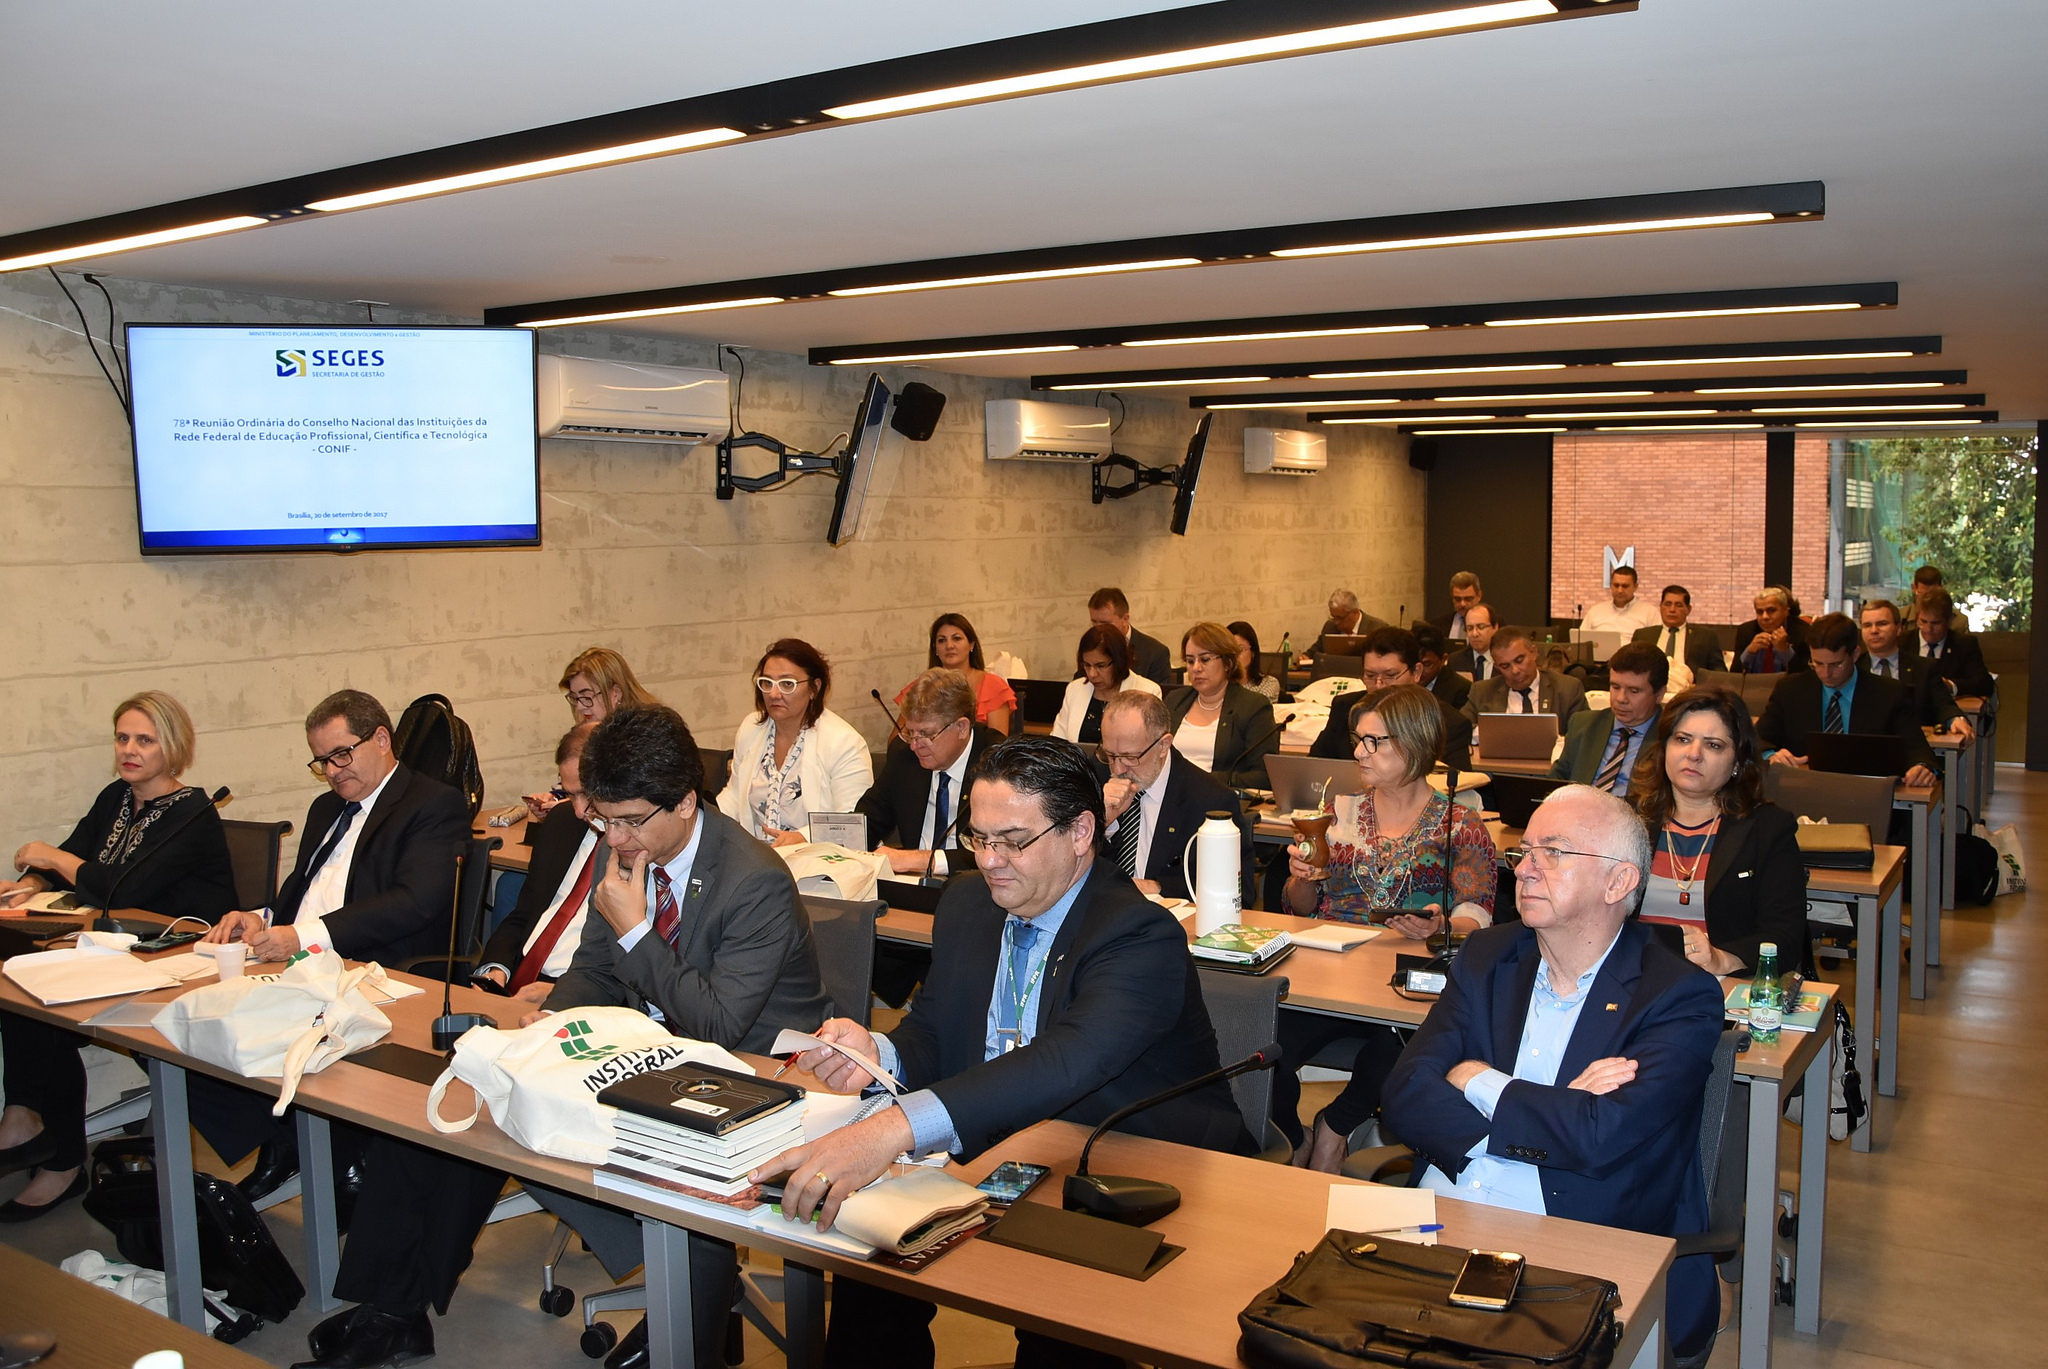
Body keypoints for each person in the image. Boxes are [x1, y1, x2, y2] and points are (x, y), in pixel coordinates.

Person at [297, 704, 833, 1369]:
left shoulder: (753, 879)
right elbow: (595, 968)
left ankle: (692, 1324)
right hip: (648, 1050)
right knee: (471, 1100)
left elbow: (719, 1022)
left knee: (662, 1171)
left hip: (754, 1077)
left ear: (685, 802)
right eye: (603, 819)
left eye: (629, 820)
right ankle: (393, 1309)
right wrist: (554, 1020)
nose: (615, 838)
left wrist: (635, 928)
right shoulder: (627, 846)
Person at [751, 736, 1249, 1369]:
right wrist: (879, 1053)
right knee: (868, 1267)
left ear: (1080, 833)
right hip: (1003, 1142)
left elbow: (1066, 1062)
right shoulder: (969, 903)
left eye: (1013, 841)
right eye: (979, 838)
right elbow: (937, 1031)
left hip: (1126, 1162)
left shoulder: (1136, 933)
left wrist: (893, 1128)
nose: (989, 861)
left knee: (1056, 1321)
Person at [1380, 784, 1725, 1363]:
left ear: (1619, 882)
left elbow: (1601, 1136)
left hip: (1572, 1238)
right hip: (1444, 1212)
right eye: (1525, 852)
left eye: (1554, 852)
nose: (1524, 869)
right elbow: (1405, 1093)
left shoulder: (1677, 996)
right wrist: (1554, 1111)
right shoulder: (1488, 956)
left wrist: (1479, 1081)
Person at [197, 689, 471, 1204]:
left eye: (341, 754)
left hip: (376, 968)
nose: (331, 771)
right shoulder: (327, 807)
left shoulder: (432, 803)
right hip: (302, 961)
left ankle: (310, 1148)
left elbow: (415, 902)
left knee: (244, 1026)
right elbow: (302, 892)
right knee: (191, 1025)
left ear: (382, 739)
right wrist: (260, 919)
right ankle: (284, 1139)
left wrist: (300, 937)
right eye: (321, 761)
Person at [0, 691, 235, 1220]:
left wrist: (50, 857)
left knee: (48, 1004)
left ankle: (59, 1159)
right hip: (121, 949)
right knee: (21, 979)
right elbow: (75, 851)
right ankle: (27, 1119)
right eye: (122, 738)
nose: (129, 750)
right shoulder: (117, 796)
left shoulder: (193, 811)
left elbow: (122, 887)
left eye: (144, 740)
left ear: (172, 747)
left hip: (181, 961)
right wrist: (30, 884)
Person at [1278, 685, 1497, 1170]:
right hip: (1331, 975)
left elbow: (1478, 916)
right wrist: (1301, 879)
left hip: (1406, 983)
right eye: (1359, 740)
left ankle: (1335, 1126)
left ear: (1415, 742)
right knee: (1259, 1040)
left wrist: (1440, 926)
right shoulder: (1337, 813)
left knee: (1405, 1041)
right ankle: (1292, 1137)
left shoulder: (1459, 825)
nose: (1360, 752)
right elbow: (1300, 908)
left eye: (1374, 742)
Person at [1634, 686, 1810, 975]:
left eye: (1713, 745)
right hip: (1631, 980)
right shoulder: (1629, 819)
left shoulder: (1768, 829)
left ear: (1737, 762)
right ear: (1664, 748)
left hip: (1717, 985)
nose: (1694, 754)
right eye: (1682, 739)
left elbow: (1785, 939)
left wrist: (1722, 959)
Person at [469, 723, 597, 1000]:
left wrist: (562, 993)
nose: (579, 810)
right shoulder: (562, 823)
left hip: (576, 989)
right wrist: (496, 968)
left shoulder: (641, 845)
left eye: (586, 793)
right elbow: (524, 914)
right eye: (570, 794)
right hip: (520, 979)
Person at [1098, 691, 1254, 907]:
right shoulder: (1094, 780)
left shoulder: (1210, 799)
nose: (1117, 769)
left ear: (1163, 746)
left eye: (1130, 757)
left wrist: (1159, 887)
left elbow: (1238, 895)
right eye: (1109, 755)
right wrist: (1101, 821)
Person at [719, 638, 874, 845]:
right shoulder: (752, 727)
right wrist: (703, 819)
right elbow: (734, 795)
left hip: (818, 857)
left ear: (814, 688)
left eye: (787, 684)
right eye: (767, 683)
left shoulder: (844, 743)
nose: (774, 694)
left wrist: (802, 838)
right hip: (757, 856)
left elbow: (852, 824)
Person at [1757, 612, 1937, 788]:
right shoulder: (1790, 689)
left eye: (1836, 664)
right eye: (1817, 664)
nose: (1826, 673)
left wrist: (1922, 767)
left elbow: (1918, 749)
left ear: (1855, 654)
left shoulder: (1890, 693)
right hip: (1803, 791)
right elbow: (1757, 739)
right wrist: (1770, 755)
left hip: (1867, 793)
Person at [860, 670, 1003, 878]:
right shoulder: (904, 756)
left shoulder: (997, 764)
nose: (915, 745)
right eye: (910, 733)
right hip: (912, 883)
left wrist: (925, 860)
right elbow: (868, 820)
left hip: (976, 884)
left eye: (926, 734)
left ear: (962, 727)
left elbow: (999, 849)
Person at [1310, 627, 1473, 773]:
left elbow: (1456, 786)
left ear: (1416, 672)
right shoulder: (1344, 709)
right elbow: (1314, 768)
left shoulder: (1449, 723)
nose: (1379, 685)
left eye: (1390, 675)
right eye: (1370, 675)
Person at [1165, 620, 1280, 789]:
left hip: (1218, 797)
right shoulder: (1174, 701)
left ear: (1228, 663)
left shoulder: (1253, 707)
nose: (1196, 668)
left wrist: (1206, 779)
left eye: (1205, 659)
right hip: (1171, 795)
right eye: (1190, 661)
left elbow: (1264, 776)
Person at [1552, 643, 1668, 796]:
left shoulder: (1671, 737)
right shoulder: (1583, 725)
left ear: (1659, 694)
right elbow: (1555, 782)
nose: (1621, 699)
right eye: (1615, 687)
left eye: (1634, 691)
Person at [1859, 598, 1970, 737]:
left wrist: (1954, 719)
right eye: (1867, 625)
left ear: (1899, 628)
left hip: (1913, 745)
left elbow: (1944, 705)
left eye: (1882, 624)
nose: (1874, 630)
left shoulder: (1924, 668)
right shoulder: (1853, 668)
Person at [897, 613, 1014, 734]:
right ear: (935, 648)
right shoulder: (921, 687)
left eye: (956, 638)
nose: (949, 646)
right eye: (942, 640)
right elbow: (897, 741)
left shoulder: (993, 686)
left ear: (971, 644)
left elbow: (997, 742)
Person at [1050, 623, 1162, 745]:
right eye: (1087, 665)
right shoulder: (1075, 689)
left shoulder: (1147, 691)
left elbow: (1151, 745)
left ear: (1119, 661)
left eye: (1100, 666)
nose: (1092, 674)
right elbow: (1058, 741)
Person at [1462, 626, 1588, 730]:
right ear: (1497, 667)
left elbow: (1584, 735)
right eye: (1505, 666)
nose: (1515, 671)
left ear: (1533, 652)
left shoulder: (1568, 689)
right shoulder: (1482, 692)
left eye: (1519, 660)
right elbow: (1460, 730)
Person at [1631, 584, 1725, 685]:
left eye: (1678, 605)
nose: (1672, 609)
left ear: (1688, 609)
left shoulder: (1706, 636)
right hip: (1650, 689)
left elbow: (1718, 671)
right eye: (1667, 604)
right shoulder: (1643, 635)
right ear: (1661, 607)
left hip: (1690, 690)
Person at [1087, 586, 1173, 690]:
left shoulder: (1155, 653)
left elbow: (1159, 696)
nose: (1098, 629)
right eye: (1094, 622)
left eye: (1105, 623)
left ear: (1125, 619)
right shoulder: (1090, 648)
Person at [1914, 589, 1996, 698]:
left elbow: (1984, 684)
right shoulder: (1902, 642)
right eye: (1923, 621)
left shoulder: (1964, 645)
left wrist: (1951, 686)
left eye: (1936, 623)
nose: (1928, 629)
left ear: (1949, 621)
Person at [1732, 587, 1808, 674]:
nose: (1765, 617)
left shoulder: (1803, 631)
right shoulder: (1745, 631)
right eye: (1760, 612)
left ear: (1786, 611)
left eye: (1771, 610)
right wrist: (1749, 652)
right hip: (1754, 682)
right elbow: (1734, 675)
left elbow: (1806, 675)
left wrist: (1785, 651)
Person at [1578, 564, 1659, 636]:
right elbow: (1580, 641)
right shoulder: (1595, 611)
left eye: (1625, 586)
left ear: (1635, 587)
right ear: (1610, 585)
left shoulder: (1650, 613)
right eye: (1616, 585)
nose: (1620, 590)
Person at [1312, 590, 1386, 656]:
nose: (1336, 622)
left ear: (1355, 612)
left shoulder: (1378, 629)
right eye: (1333, 617)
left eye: (1340, 618)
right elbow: (1314, 651)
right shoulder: (1330, 627)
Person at [1414, 624, 1471, 710]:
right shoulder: (1401, 680)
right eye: (1414, 663)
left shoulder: (1461, 689)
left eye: (1427, 664)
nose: (1419, 670)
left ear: (1443, 660)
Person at [1230, 619, 1282, 702]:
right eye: (1230, 650)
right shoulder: (1219, 685)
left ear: (1253, 652)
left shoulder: (1268, 683)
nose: (1235, 655)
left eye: (1240, 650)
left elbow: (1255, 707)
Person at [1447, 602, 1499, 681]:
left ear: (1495, 628)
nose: (1475, 634)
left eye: (1481, 627)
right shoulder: (1455, 660)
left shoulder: (1505, 659)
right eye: (1470, 628)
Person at [1439, 570, 1482, 641]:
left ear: (1479, 596)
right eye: (1457, 599)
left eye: (1468, 599)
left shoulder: (1495, 624)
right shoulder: (1439, 626)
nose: (1463, 604)